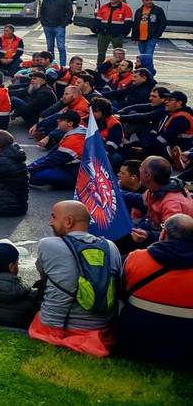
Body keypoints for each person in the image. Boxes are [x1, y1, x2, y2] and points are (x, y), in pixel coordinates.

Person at [29, 200, 122, 357]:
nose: (50, 223)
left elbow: (44, 278)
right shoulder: (111, 247)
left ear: (69, 221)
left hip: (55, 328)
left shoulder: (48, 245)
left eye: (53, 217)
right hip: (101, 332)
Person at [118, 213, 193, 367]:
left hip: (135, 343)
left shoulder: (135, 258)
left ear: (163, 233)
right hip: (186, 351)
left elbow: (119, 292)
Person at [128, 156, 193, 248]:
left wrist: (148, 235)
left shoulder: (171, 203)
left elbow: (171, 237)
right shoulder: (156, 189)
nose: (138, 169)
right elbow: (139, 200)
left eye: (141, 167)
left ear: (148, 175)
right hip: (155, 227)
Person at [27, 111, 86, 190]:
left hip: (74, 174)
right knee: (35, 170)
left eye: (61, 119)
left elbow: (51, 160)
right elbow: (51, 156)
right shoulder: (78, 130)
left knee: (36, 177)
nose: (58, 120)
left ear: (70, 123)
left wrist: (27, 170)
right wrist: (30, 168)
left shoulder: (74, 140)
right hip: (70, 167)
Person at [38, 0, 73, 65]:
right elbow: (42, 11)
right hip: (48, 26)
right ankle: (51, 65)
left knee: (61, 47)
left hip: (59, 26)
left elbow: (70, 12)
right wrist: (43, 22)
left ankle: (63, 66)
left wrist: (64, 24)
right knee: (50, 48)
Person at [93, 0, 132, 65]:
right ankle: (99, 66)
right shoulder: (104, 6)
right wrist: (98, 31)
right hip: (103, 34)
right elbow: (98, 20)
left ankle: (119, 67)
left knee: (118, 53)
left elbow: (128, 23)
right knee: (101, 52)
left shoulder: (126, 8)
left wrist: (123, 33)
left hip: (116, 35)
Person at [131, 0, 166, 73]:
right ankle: (145, 72)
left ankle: (149, 73)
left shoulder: (158, 10)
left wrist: (157, 34)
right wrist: (134, 37)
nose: (149, 1)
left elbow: (163, 23)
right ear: (143, 1)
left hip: (152, 36)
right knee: (143, 56)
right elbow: (136, 24)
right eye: (147, 0)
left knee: (148, 55)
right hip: (141, 37)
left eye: (150, 0)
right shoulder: (139, 11)